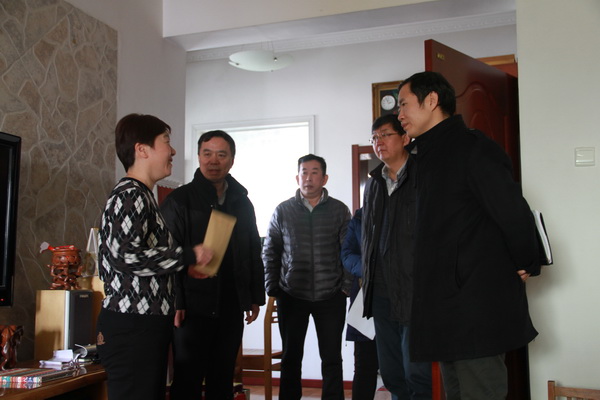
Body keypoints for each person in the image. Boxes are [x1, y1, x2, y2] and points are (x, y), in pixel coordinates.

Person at [397, 71, 540, 400]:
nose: (399, 114)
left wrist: (526, 260)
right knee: (458, 393)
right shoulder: (425, 156)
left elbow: (513, 212)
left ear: (431, 100)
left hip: (475, 304)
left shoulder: (473, 148)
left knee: (480, 392)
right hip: (444, 304)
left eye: (404, 104)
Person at [96, 113, 207, 400]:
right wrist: (186, 256)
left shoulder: (143, 195)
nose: (173, 151)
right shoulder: (130, 195)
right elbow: (125, 256)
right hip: (132, 326)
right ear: (142, 149)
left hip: (144, 325)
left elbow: (141, 257)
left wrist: (181, 266)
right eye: (166, 142)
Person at [160, 130, 265, 400]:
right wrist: (177, 301)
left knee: (223, 377)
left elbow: (253, 249)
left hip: (231, 303)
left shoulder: (242, 202)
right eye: (207, 153)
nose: (213, 161)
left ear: (232, 160)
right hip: (191, 306)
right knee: (188, 379)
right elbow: (167, 254)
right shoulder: (179, 200)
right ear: (198, 156)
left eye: (221, 155)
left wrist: (254, 296)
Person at [263, 154, 352, 400]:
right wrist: (272, 286)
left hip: (331, 295)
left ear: (324, 178)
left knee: (332, 358)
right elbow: (270, 251)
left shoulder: (339, 210)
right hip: (292, 294)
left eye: (314, 172)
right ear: (297, 177)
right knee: (291, 357)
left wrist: (345, 287)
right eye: (304, 172)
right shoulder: (283, 210)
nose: (308, 178)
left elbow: (348, 250)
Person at [360, 114, 432, 400]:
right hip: (380, 289)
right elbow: (368, 236)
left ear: (404, 138)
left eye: (385, 135)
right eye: (374, 138)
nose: (379, 142)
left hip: (414, 287)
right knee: (391, 371)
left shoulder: (423, 176)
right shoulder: (374, 183)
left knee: (417, 371)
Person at [341, 208, 380, 400]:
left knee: (401, 366)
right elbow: (347, 254)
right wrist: (369, 268)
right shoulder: (360, 216)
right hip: (365, 297)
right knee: (365, 364)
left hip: (401, 298)